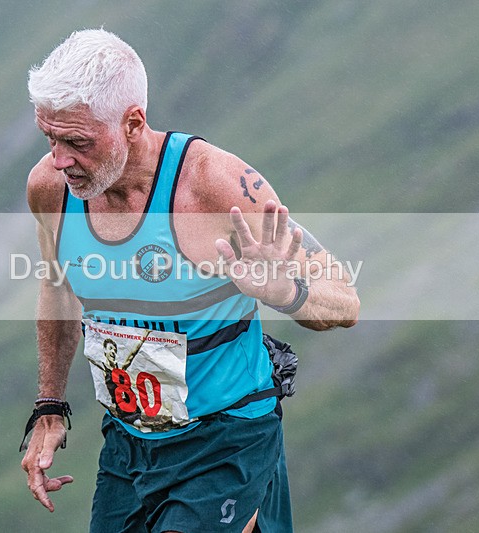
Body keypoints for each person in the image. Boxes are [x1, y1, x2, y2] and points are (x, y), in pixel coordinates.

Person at [20, 29, 359, 533]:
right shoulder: (50, 188)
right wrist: (49, 403)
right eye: (50, 138)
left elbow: (345, 302)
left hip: (225, 442)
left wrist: (285, 292)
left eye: (77, 142)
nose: (60, 158)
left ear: (133, 122)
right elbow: (59, 289)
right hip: (129, 442)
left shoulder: (213, 187)